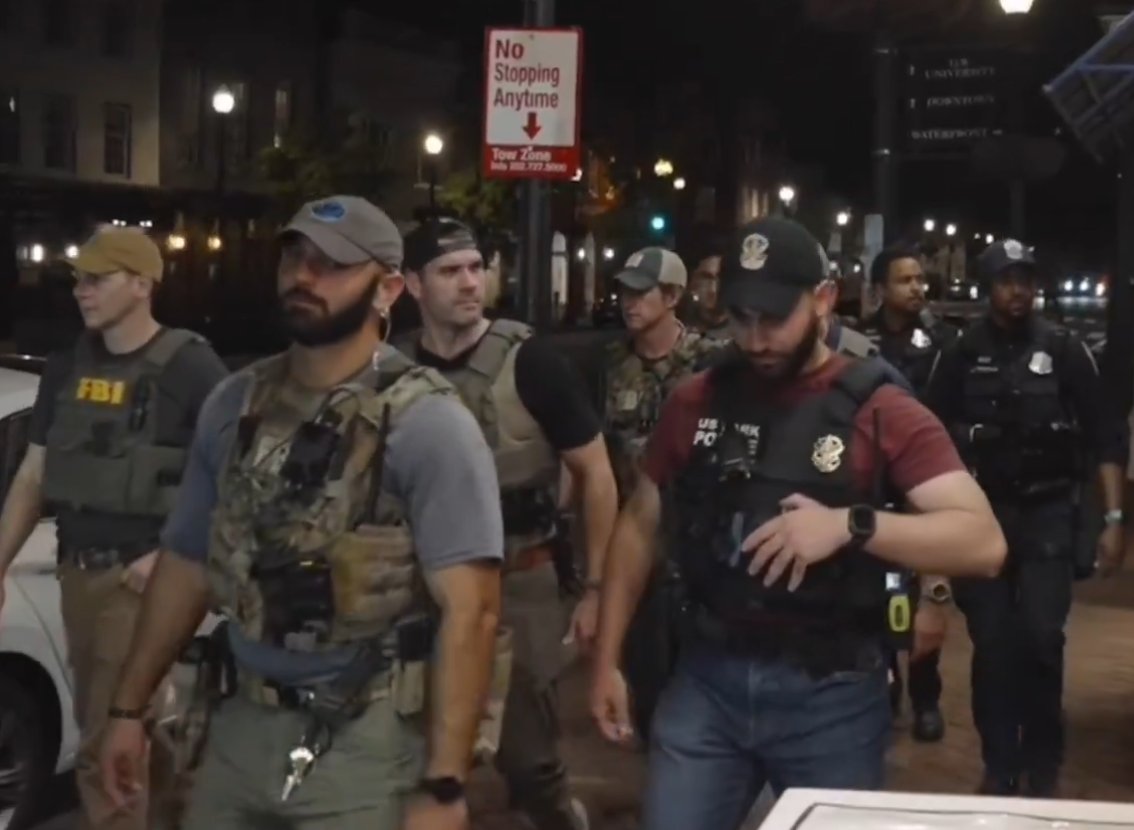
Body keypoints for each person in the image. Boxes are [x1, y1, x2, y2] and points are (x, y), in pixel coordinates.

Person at [98, 196, 505, 830]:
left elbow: (472, 610)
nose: (304, 277)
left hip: (366, 741)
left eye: (333, 264)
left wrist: (445, 783)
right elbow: (187, 561)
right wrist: (128, 710)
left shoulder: (427, 423)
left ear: (388, 289)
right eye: (295, 258)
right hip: (239, 728)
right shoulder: (234, 403)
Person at [591, 217, 1007, 830]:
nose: (757, 340)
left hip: (831, 694)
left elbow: (983, 542)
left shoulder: (878, 407)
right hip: (707, 678)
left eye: (775, 319)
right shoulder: (695, 400)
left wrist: (852, 525)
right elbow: (639, 523)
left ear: (822, 300)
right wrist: (607, 659)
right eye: (741, 318)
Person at [0, 226, 228, 830]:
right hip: (77, 573)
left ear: (141, 284)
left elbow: (234, 478)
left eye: (96, 280)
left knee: (108, 751)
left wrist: (167, 557)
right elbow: (35, 472)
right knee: (127, 735)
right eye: (79, 278)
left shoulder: (190, 366)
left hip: (140, 583)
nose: (81, 291)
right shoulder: (68, 365)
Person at [400, 218, 616, 830]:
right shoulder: (395, 369)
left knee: (529, 760)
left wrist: (595, 589)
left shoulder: (530, 362)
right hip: (420, 586)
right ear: (413, 284)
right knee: (413, 754)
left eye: (477, 267)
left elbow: (597, 474)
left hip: (516, 580)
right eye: (450, 271)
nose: (471, 283)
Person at [924, 238, 1127, 797]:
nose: (1019, 289)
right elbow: (925, 436)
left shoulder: (1064, 349)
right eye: (1008, 279)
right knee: (992, 643)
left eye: (1026, 278)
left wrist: (1112, 516)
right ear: (989, 286)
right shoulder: (961, 351)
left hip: (1047, 513)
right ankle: (999, 761)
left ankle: (1043, 762)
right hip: (980, 515)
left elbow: (1107, 433)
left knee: (1041, 639)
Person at [601, 247, 724, 742]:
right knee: (643, 663)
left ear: (672, 296)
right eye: (624, 291)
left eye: (640, 291)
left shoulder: (711, 362)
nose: (629, 302)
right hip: (634, 538)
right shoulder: (611, 365)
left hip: (695, 538)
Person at [859, 246, 958, 743]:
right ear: (880, 288)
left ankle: (926, 696)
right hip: (872, 483)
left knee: (924, 593)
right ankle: (884, 689)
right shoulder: (858, 340)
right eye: (905, 280)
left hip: (923, 479)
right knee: (877, 596)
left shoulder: (943, 342)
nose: (917, 288)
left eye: (921, 279)